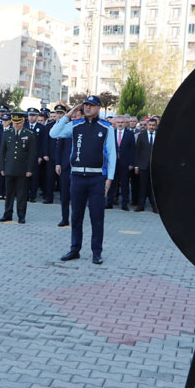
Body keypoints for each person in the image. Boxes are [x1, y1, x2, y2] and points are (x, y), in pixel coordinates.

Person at [49, 95, 116, 265]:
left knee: (97, 217)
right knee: (76, 216)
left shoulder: (106, 127)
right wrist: (70, 113)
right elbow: (53, 133)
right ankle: (75, 249)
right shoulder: (75, 125)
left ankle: (96, 252)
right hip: (77, 176)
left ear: (98, 108)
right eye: (85, 105)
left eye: (91, 105)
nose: (87, 108)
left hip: (97, 178)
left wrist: (109, 178)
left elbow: (112, 154)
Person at [0, 112, 36, 224]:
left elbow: (32, 154)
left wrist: (29, 169)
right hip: (9, 168)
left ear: (23, 121)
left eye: (18, 123)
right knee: (8, 194)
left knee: (21, 194)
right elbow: (2, 152)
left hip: (22, 169)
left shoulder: (29, 134)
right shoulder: (7, 133)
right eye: (14, 122)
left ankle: (21, 215)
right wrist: (2, 168)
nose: (16, 125)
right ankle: (7, 214)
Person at [107, 115, 135, 210]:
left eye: (122, 122)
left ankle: (124, 204)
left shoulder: (129, 134)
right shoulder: (112, 133)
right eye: (118, 122)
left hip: (125, 163)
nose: (120, 124)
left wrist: (131, 163)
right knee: (112, 184)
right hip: (113, 163)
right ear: (115, 123)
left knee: (124, 184)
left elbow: (132, 150)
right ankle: (109, 202)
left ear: (125, 124)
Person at [134, 117, 158, 213]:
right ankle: (140, 206)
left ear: (156, 126)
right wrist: (136, 166)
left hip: (155, 167)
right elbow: (137, 152)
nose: (151, 127)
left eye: (153, 125)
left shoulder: (159, 136)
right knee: (142, 187)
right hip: (143, 166)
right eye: (150, 125)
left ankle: (155, 207)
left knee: (153, 188)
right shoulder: (141, 136)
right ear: (147, 125)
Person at [24, 107, 45, 203]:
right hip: (25, 155)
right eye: (30, 115)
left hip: (36, 155)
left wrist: (40, 156)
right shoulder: (24, 126)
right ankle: (25, 194)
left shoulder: (41, 128)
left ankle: (32, 195)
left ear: (37, 116)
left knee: (35, 176)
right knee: (24, 176)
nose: (31, 117)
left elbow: (43, 143)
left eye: (33, 115)